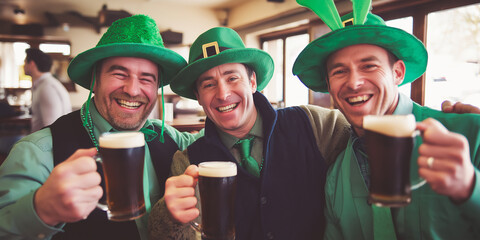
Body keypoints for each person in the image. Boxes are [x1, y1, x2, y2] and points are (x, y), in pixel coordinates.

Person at [0, 15, 202, 240]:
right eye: (119, 74)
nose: (133, 90)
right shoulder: (37, 152)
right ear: (94, 80)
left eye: (146, 79)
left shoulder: (170, 138)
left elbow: (221, 137)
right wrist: (41, 210)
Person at [292, 0, 480, 239]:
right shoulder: (335, 177)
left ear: (398, 73)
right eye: (339, 71)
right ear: (328, 86)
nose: (353, 82)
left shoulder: (470, 134)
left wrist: (471, 188)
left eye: (368, 66)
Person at [148, 27, 351, 240]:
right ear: (198, 97)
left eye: (232, 78)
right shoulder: (187, 162)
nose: (223, 94)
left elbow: (368, 133)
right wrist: (168, 217)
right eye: (208, 84)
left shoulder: (315, 124)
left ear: (252, 82)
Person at [24, 48, 72, 132]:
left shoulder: (47, 88)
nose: (23, 66)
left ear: (31, 64)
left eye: (25, 62)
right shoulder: (45, 84)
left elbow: (52, 128)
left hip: (45, 144)